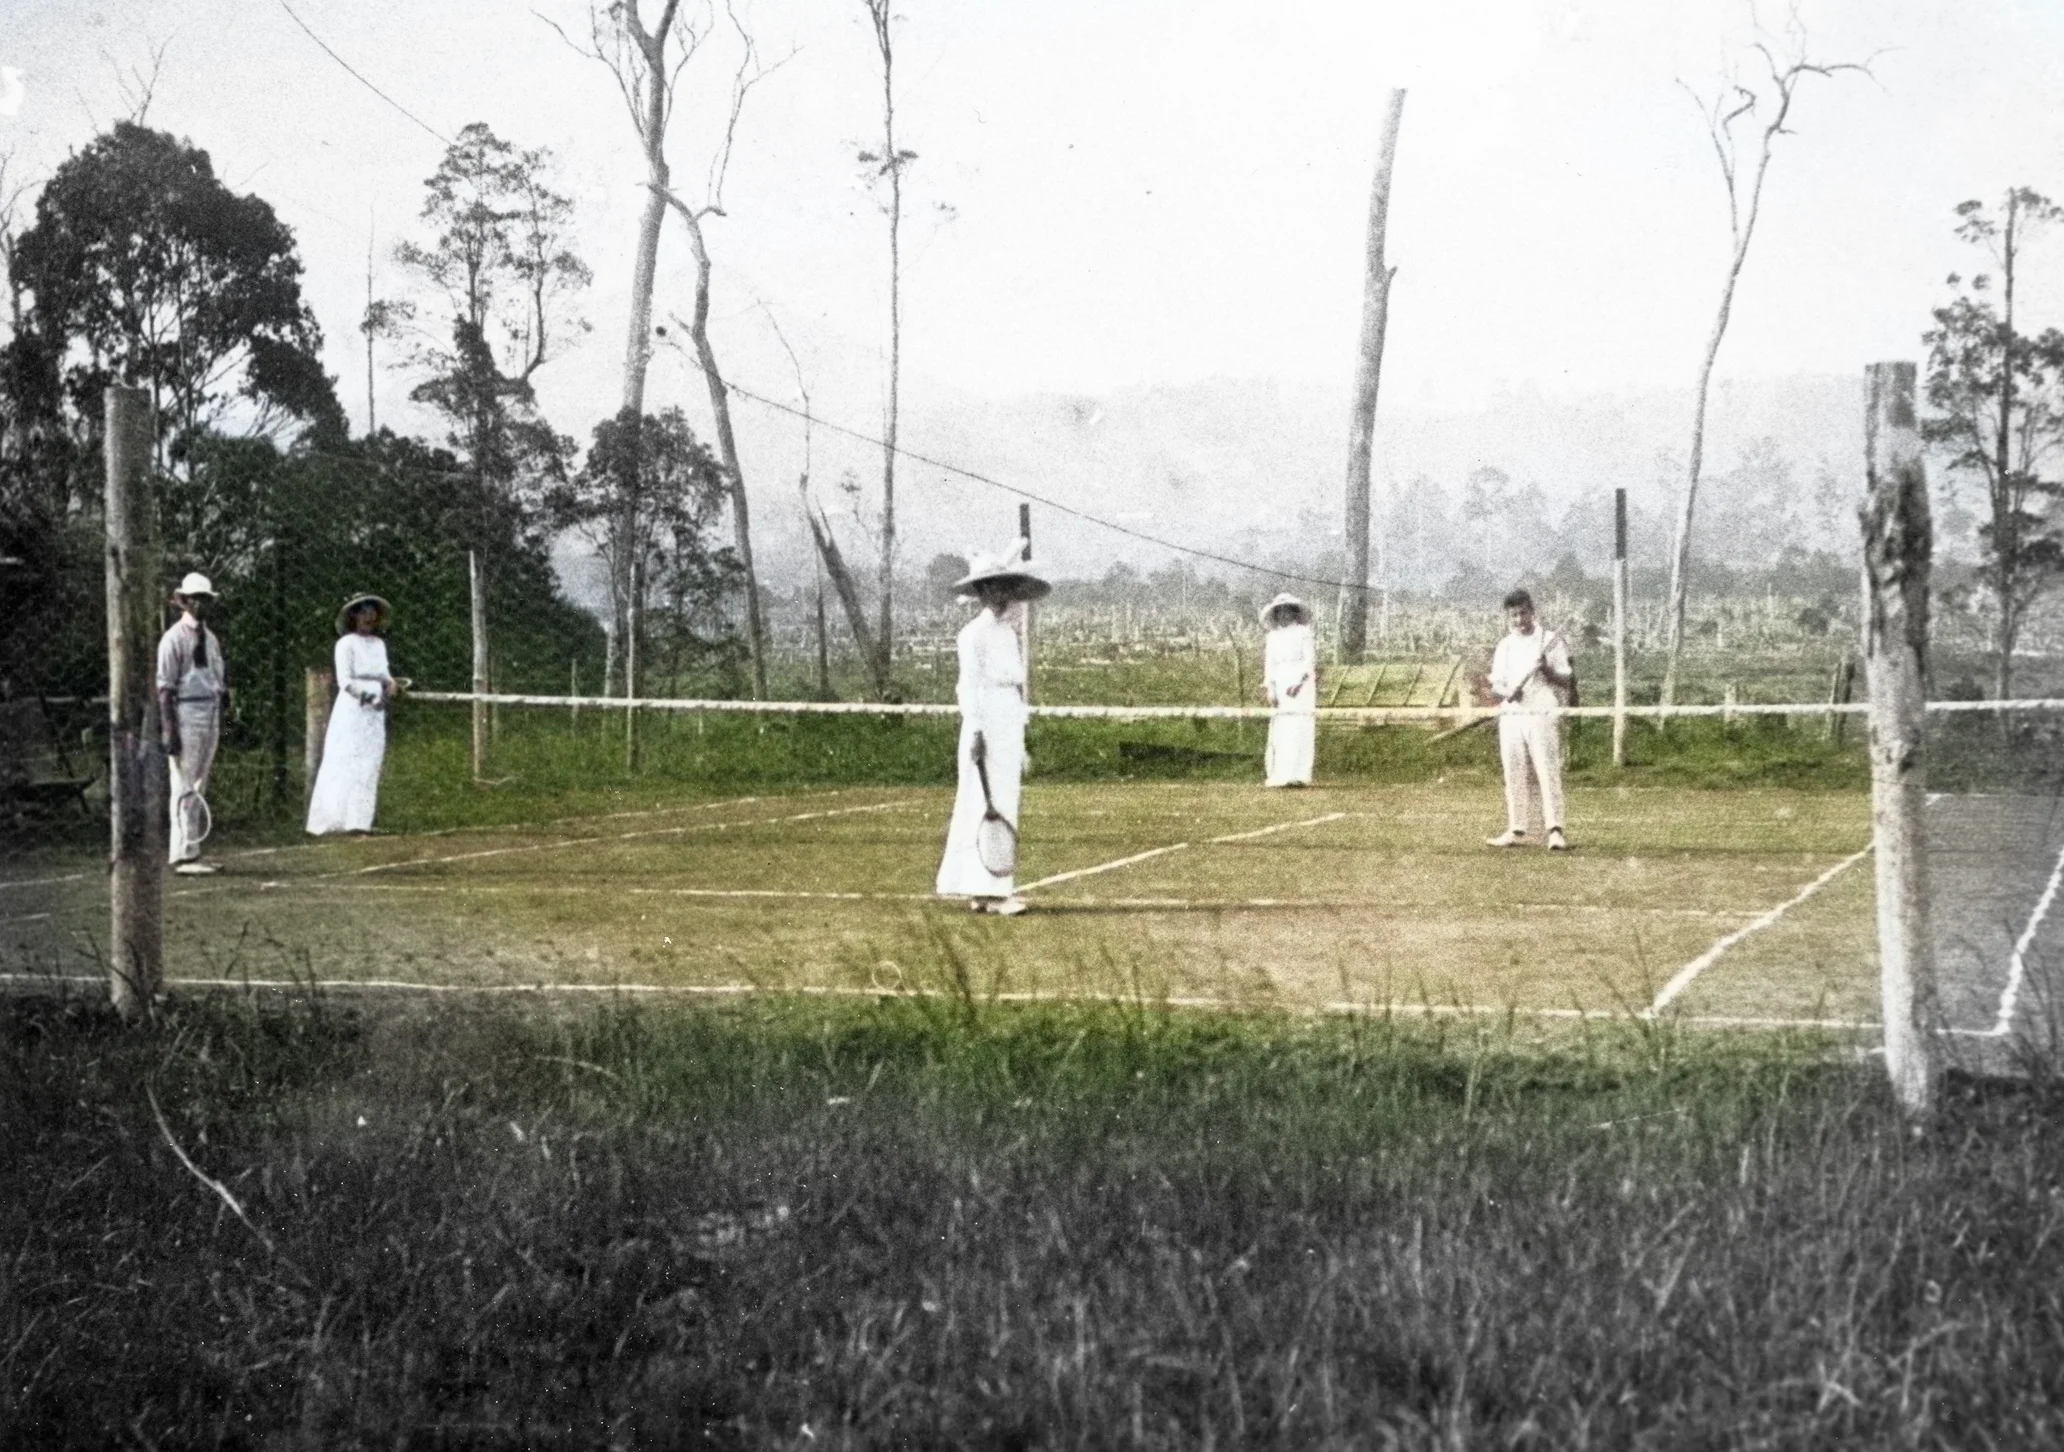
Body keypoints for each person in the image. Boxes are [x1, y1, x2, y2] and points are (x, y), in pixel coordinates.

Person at [935, 541, 1049, 915]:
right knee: (981, 804)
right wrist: (978, 731)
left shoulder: (1008, 633)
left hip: (1008, 720)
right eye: (994, 587)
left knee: (1004, 801)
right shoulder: (971, 635)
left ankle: (984, 892)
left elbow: (1014, 684)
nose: (1003, 594)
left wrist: (1021, 725)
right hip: (984, 722)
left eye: (1006, 587)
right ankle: (994, 893)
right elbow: (968, 686)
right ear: (983, 592)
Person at [1485, 587, 1574, 851]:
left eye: (1523, 613)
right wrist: (1509, 692)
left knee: (1547, 769)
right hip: (1512, 713)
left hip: (1541, 711)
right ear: (1508, 617)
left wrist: (1546, 669)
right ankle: (1516, 828)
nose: (1519, 620)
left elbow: (1566, 679)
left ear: (1532, 612)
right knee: (1513, 770)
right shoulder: (1505, 645)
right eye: (1514, 615)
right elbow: (1496, 685)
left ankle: (1555, 830)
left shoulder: (1550, 640)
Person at [156, 572, 230, 875]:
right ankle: (183, 854)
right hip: (185, 712)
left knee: (199, 783)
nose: (200, 604)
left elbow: (216, 678)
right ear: (184, 601)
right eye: (195, 599)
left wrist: (223, 704)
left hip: (209, 711)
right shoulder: (173, 638)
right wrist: (169, 729)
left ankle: (193, 849)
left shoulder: (210, 638)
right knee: (184, 783)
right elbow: (165, 687)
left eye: (205, 599)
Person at [306, 594, 399, 836]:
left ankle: (360, 822)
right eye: (363, 612)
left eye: (372, 612)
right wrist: (368, 698)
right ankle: (332, 820)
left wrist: (390, 686)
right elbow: (345, 681)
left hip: (375, 713)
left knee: (370, 762)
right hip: (353, 710)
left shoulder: (379, 645)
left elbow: (385, 674)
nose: (368, 616)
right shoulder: (345, 644)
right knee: (345, 759)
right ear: (353, 617)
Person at [1259, 592, 1317, 787]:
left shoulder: (1304, 632)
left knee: (1301, 726)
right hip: (1281, 680)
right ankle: (1281, 774)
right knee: (1282, 728)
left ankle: (1300, 775)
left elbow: (1310, 660)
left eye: (1287, 611)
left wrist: (1299, 683)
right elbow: (1270, 664)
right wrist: (1270, 688)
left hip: (1302, 683)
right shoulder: (1272, 636)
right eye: (1280, 611)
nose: (1284, 614)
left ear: (1294, 612)